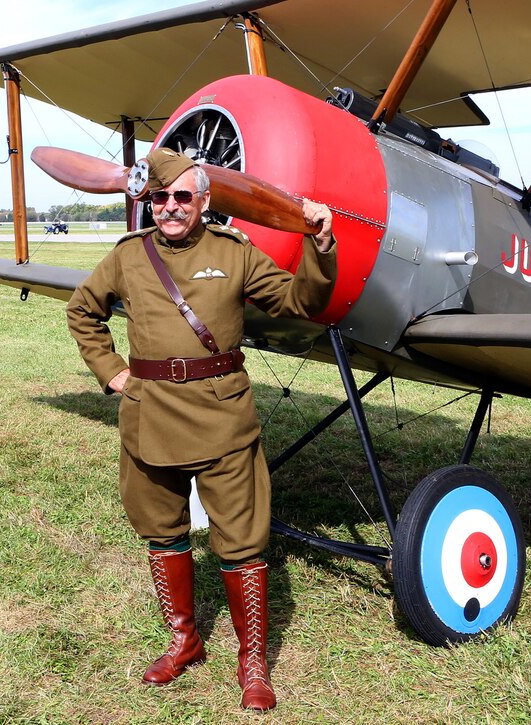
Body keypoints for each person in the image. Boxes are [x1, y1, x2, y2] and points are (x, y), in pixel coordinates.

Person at [66, 148, 336, 711]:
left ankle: (253, 661)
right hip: (149, 413)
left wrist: (319, 243)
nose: (169, 207)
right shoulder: (128, 256)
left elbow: (300, 302)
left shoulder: (233, 254)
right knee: (161, 531)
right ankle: (184, 640)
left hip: (222, 416)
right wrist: (112, 372)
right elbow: (82, 310)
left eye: (182, 197)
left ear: (204, 202)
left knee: (241, 542)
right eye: (159, 197)